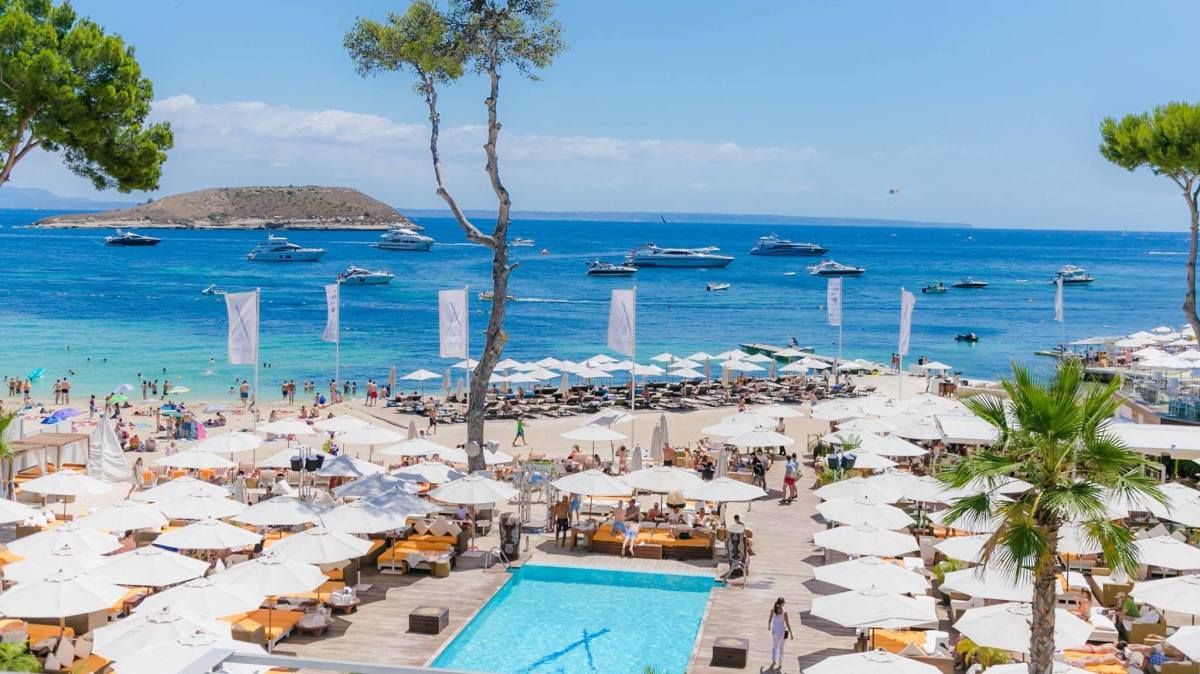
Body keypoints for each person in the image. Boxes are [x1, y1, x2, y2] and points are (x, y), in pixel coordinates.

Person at [768, 597, 793, 670]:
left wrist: (769, 626)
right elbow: (787, 624)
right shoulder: (784, 612)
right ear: (782, 604)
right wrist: (791, 633)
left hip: (775, 631)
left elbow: (769, 620)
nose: (784, 604)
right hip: (782, 632)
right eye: (784, 603)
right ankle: (780, 663)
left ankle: (774, 660)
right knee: (781, 648)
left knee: (774, 647)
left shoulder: (773, 610)